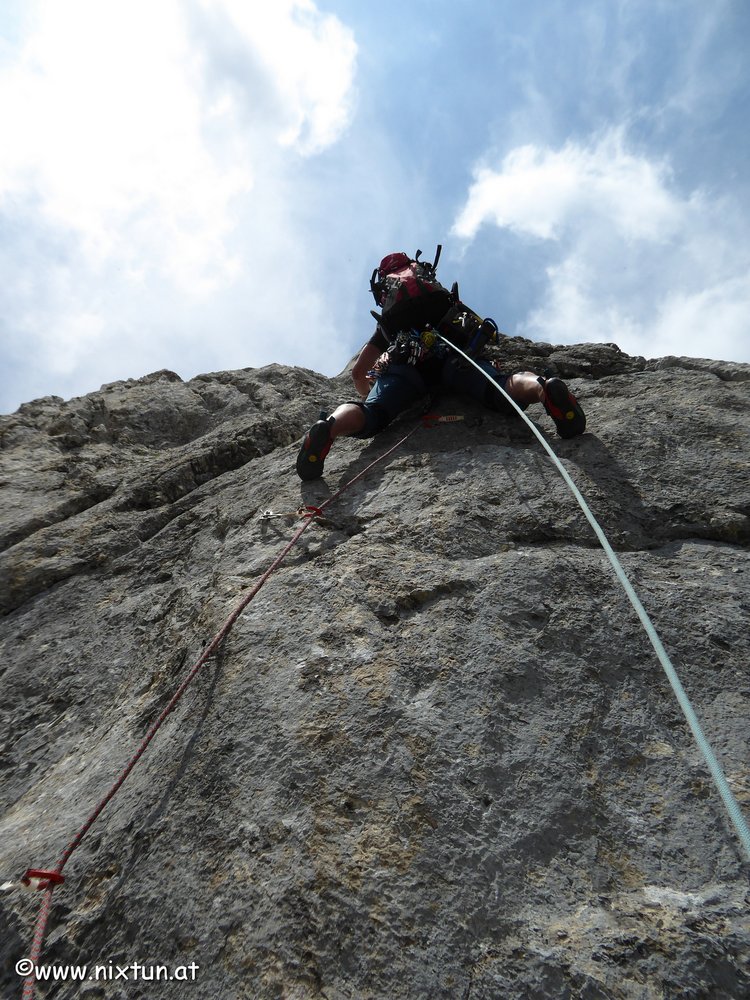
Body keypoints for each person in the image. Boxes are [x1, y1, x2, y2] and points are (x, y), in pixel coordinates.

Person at [296, 251, 586, 481]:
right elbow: (473, 326)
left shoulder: (390, 320)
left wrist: (370, 392)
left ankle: (329, 427)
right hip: (454, 354)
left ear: (384, 286)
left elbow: (359, 373)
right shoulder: (436, 295)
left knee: (373, 413)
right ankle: (542, 388)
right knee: (499, 387)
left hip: (406, 365)